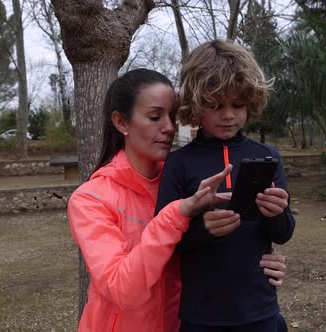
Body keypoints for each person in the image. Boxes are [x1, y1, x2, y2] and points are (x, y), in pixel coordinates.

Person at [67, 68, 288, 332]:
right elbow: (120, 288)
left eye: (172, 117)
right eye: (154, 117)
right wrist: (178, 213)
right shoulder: (91, 199)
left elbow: (200, 251)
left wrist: (256, 261)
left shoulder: (180, 179)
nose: (169, 128)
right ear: (121, 122)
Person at [155, 40, 296, 332]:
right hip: (202, 315)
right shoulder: (179, 163)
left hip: (260, 309)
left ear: (251, 101)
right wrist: (203, 229)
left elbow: (283, 234)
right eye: (215, 105)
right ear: (195, 105)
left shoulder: (268, 156)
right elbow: (164, 240)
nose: (228, 114)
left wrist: (277, 213)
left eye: (238, 104)